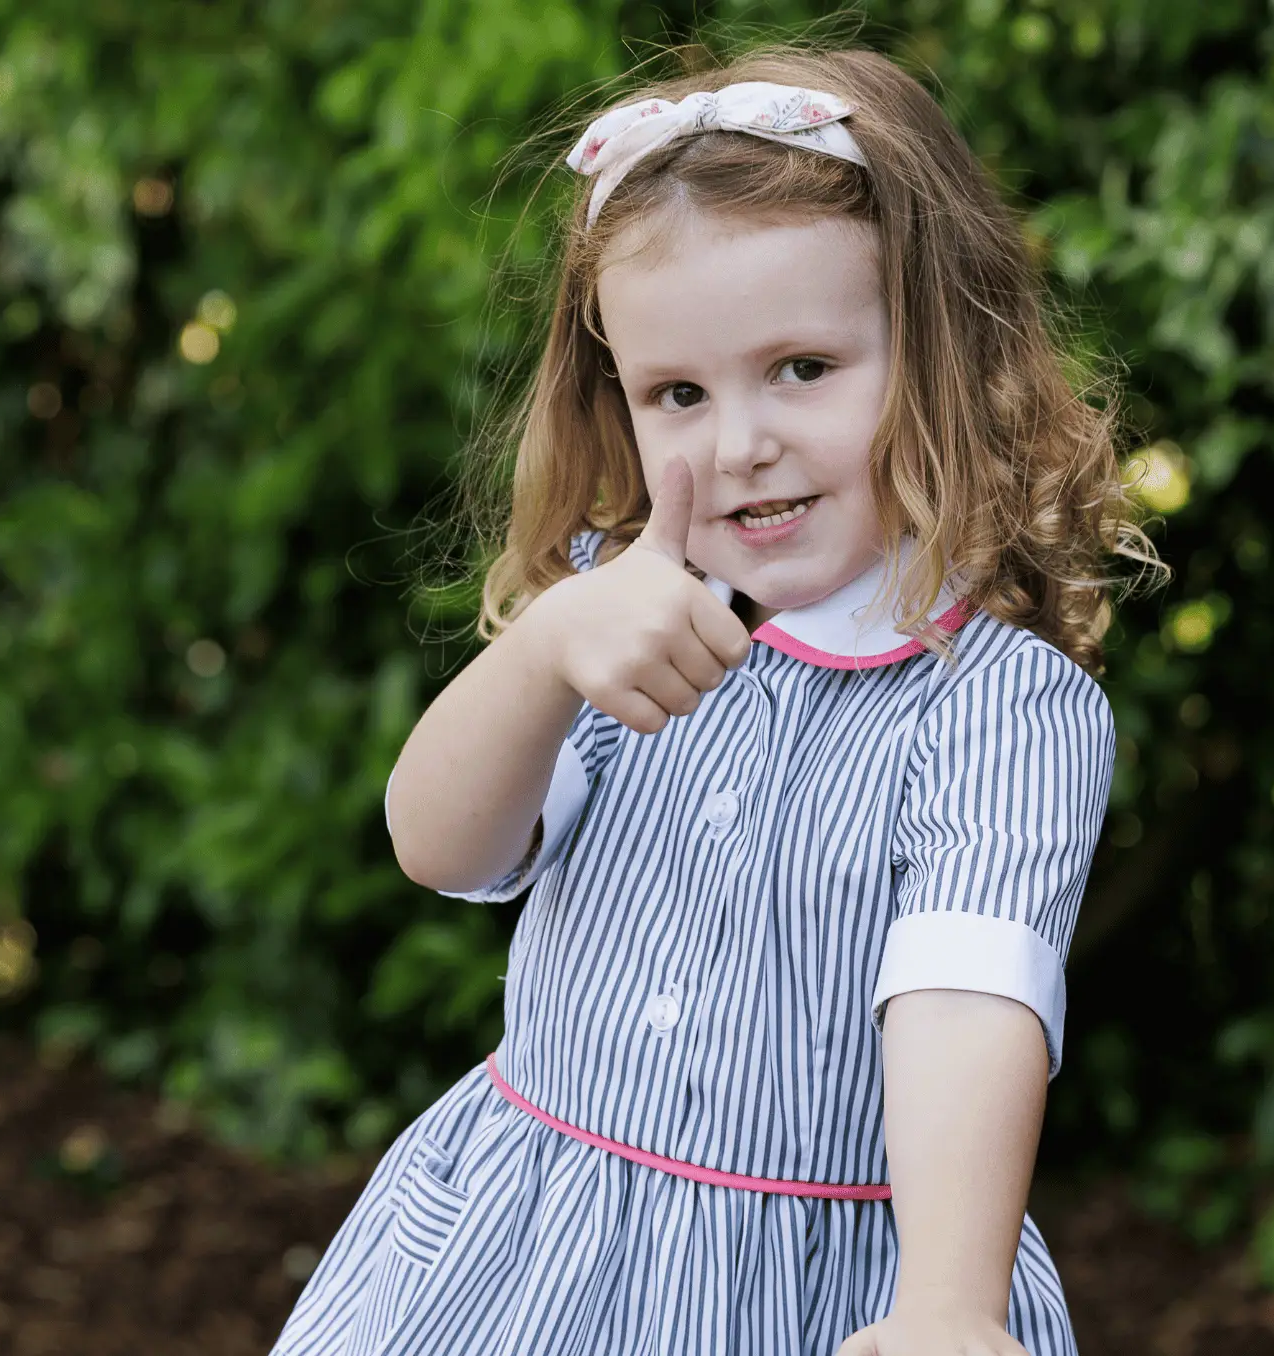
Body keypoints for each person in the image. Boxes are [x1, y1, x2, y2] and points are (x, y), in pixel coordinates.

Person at [273, 43, 1146, 1356]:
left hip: (809, 1297)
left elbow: (968, 1002)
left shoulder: (995, 711)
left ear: (941, 355)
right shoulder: (616, 617)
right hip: (525, 1260)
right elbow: (438, 843)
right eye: (678, 393)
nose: (740, 441)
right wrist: (544, 646)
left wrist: (949, 1309)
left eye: (802, 368)